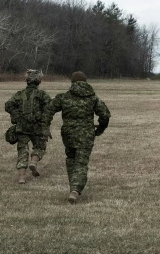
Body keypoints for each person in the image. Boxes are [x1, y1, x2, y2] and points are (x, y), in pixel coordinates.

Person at [44, 71, 111, 203]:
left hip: (68, 133)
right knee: (81, 162)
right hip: (86, 133)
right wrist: (100, 129)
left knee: (71, 159)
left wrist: (45, 127)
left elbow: (48, 109)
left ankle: (73, 187)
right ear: (86, 82)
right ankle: (75, 189)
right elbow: (105, 115)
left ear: (72, 82)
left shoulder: (64, 97)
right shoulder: (93, 98)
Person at [4, 69, 52, 184]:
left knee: (22, 151)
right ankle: (33, 162)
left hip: (22, 127)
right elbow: (50, 108)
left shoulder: (20, 94)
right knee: (40, 146)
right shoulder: (42, 95)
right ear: (39, 82)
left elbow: (8, 105)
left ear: (27, 81)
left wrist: (17, 115)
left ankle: (21, 177)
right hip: (37, 127)